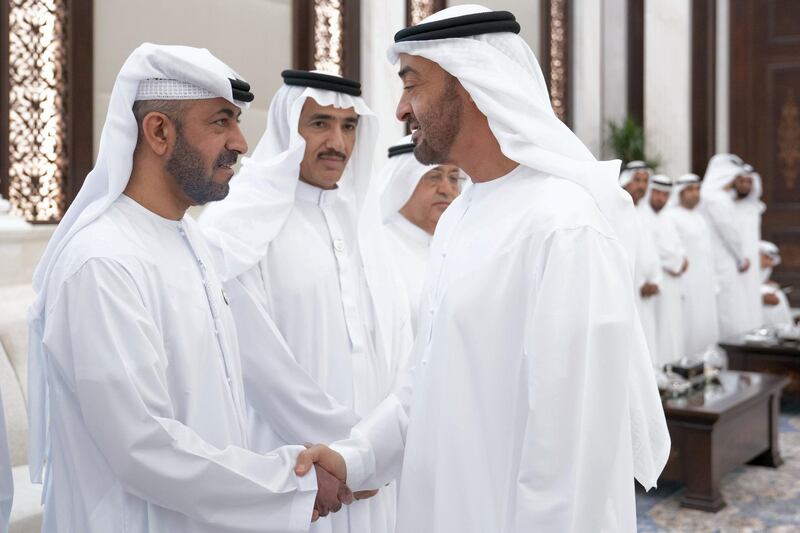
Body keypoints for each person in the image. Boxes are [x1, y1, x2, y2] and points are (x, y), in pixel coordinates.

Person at [297, 6, 669, 532]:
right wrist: (352, 459)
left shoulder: (563, 225)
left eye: (412, 85)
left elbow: (571, 455)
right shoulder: (461, 219)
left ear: (469, 85)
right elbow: (423, 386)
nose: (401, 108)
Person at [26, 45, 349, 532]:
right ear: (159, 131)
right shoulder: (102, 261)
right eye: (221, 122)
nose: (241, 142)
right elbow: (143, 445)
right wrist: (289, 480)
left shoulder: (192, 241)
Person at [201, 70, 410, 533]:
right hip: (296, 466)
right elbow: (263, 368)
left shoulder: (366, 223)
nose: (336, 141)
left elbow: (399, 343)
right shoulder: (239, 225)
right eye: (319, 124)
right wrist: (354, 452)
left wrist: (375, 449)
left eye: (349, 126)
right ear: (287, 127)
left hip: (372, 473)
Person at [379, 137, 463, 329]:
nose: (447, 189)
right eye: (433, 176)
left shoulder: (461, 248)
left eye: (454, 177)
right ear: (402, 183)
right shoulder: (378, 248)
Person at [701, 154, 763, 338]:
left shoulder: (715, 196)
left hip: (723, 259)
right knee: (726, 307)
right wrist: (741, 258)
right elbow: (730, 232)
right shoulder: (716, 198)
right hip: (723, 260)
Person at [663, 173, 720, 356]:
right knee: (688, 328)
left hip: (705, 284)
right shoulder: (671, 217)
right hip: (685, 285)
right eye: (690, 190)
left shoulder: (699, 217)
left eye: (697, 189)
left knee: (705, 327)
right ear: (679, 193)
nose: (695, 194)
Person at [620, 161, 662, 366]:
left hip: (648, 293)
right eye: (637, 180)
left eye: (645, 181)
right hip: (629, 292)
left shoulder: (646, 214)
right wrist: (638, 285)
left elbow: (653, 253)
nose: (642, 186)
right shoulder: (617, 209)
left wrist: (656, 280)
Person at [644, 174, 688, 365]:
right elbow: (653, 250)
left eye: (665, 195)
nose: (661, 198)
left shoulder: (667, 218)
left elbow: (678, 246)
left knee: (673, 330)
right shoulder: (642, 216)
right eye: (658, 193)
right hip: (658, 283)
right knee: (659, 331)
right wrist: (676, 263)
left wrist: (682, 260)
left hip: (674, 285)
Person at [759, 241, 794, 327]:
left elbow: (761, 279)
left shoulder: (767, 267)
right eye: (766, 257)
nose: (769, 262)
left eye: (771, 258)